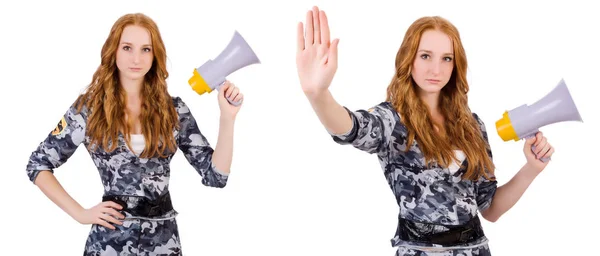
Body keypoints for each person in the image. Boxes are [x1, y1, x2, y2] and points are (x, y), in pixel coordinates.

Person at [295, 6, 555, 256]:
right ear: (410, 59)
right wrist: (318, 94)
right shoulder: (393, 121)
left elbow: (490, 209)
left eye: (446, 59)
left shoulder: (472, 126)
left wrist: (531, 168)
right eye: (425, 56)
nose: (436, 69)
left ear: (455, 65)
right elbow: (351, 128)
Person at [25, 13, 243, 255]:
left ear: (155, 55)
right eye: (127, 47)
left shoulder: (174, 111)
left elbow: (216, 177)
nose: (136, 58)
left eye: (146, 49)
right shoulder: (88, 110)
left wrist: (227, 118)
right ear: (113, 51)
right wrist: (80, 213)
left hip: (164, 242)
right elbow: (38, 164)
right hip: (108, 242)